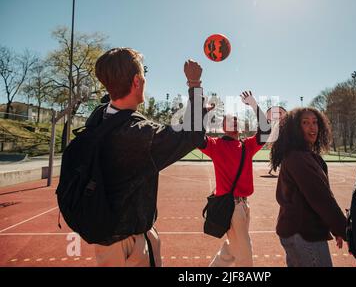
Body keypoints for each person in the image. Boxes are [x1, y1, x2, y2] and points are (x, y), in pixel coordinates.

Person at [87, 47, 207, 267]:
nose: (145, 80)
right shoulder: (140, 133)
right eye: (143, 75)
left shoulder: (96, 121)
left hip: (104, 238)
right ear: (136, 82)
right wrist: (194, 84)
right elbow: (193, 135)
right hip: (131, 241)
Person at [199, 91, 271, 267]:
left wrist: (254, 105)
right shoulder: (216, 145)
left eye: (237, 119)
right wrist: (202, 113)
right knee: (245, 253)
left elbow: (266, 130)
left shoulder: (247, 145)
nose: (235, 121)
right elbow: (194, 137)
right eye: (230, 120)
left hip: (244, 206)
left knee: (232, 250)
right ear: (223, 128)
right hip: (231, 206)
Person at [269, 107, 347, 267]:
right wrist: (346, 230)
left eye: (315, 122)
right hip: (304, 234)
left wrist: (336, 228)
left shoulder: (303, 156)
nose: (312, 127)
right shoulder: (298, 158)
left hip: (297, 231)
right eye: (305, 123)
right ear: (295, 129)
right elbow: (322, 199)